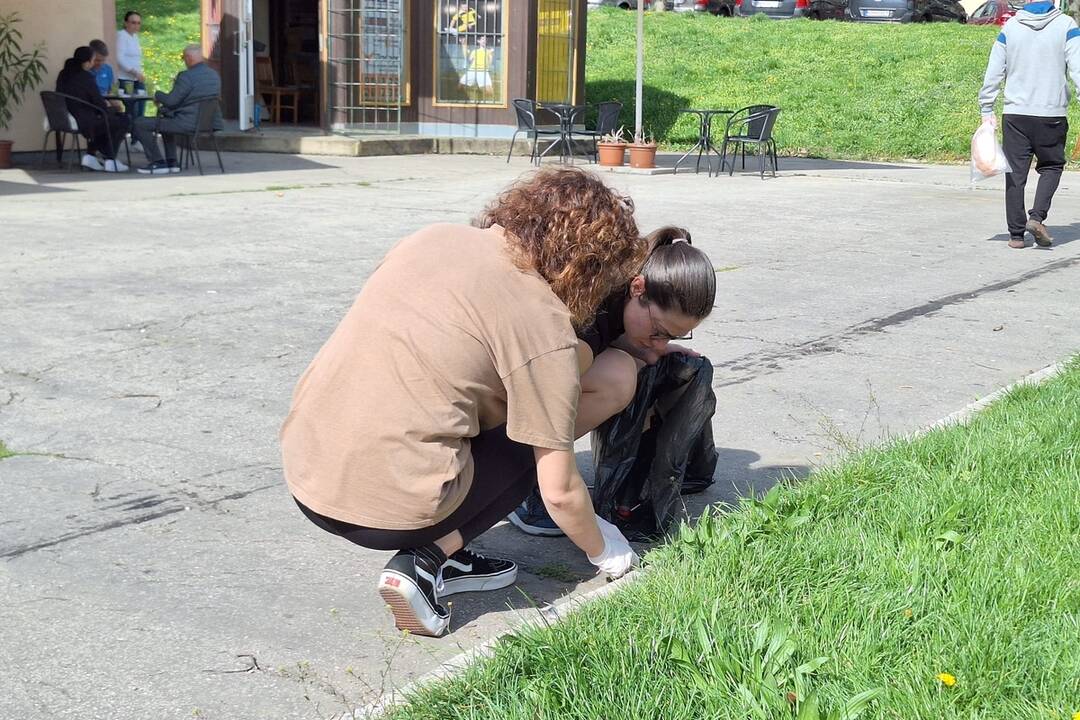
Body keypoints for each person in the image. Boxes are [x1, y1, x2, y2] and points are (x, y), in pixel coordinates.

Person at [281, 168, 647, 637]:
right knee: (528, 445)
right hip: (380, 512)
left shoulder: (432, 238)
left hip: (306, 470)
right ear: (589, 269)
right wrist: (609, 554)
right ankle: (426, 560)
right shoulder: (542, 322)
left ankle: (447, 557)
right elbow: (558, 491)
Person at [509, 226, 717, 536]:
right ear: (637, 288)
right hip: (499, 388)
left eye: (673, 336)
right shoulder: (587, 303)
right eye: (659, 331)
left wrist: (650, 346)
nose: (660, 344)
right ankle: (515, 476)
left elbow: (612, 341)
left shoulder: (621, 292)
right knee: (618, 376)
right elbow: (545, 376)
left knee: (629, 365)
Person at [978, 0, 1080, 249]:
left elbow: (994, 70)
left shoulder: (1010, 27)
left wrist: (986, 107)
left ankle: (1015, 235)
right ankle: (1036, 218)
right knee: (1052, 166)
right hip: (1051, 115)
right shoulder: (1067, 25)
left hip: (1015, 114)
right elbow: (1078, 70)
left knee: (1015, 172)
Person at [134, 44, 222, 175]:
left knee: (139, 123)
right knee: (167, 119)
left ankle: (157, 162)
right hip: (207, 123)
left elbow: (171, 101)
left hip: (187, 123)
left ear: (189, 58)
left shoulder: (186, 76)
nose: (183, 61)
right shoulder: (214, 75)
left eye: (183, 58)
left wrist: (157, 94)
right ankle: (172, 161)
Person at [56, 46, 130, 173]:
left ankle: (91, 156)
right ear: (87, 61)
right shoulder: (86, 77)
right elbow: (98, 102)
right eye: (93, 60)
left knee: (108, 119)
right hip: (85, 119)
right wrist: (112, 108)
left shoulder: (63, 74)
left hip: (68, 115)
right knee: (123, 120)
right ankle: (110, 159)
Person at [116, 10, 146, 122]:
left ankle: (137, 137)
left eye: (138, 23)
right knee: (133, 110)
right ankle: (132, 135)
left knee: (141, 109)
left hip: (137, 78)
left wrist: (139, 73)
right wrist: (134, 72)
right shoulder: (121, 36)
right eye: (133, 22)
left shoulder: (135, 37)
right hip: (125, 79)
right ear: (126, 23)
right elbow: (119, 58)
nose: (136, 25)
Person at [460, 35, 495, 99]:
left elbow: (490, 62)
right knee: (460, 86)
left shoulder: (489, 51)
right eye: (482, 39)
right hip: (473, 70)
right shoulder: (474, 51)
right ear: (478, 41)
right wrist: (465, 50)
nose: (484, 40)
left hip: (483, 71)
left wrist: (491, 54)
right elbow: (469, 61)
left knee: (490, 92)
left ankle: (486, 99)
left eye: (485, 39)